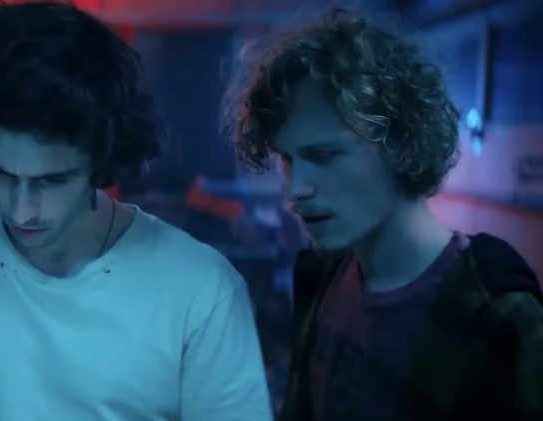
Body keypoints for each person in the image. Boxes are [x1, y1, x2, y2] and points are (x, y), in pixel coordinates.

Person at [0, 3, 272, 420]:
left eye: (52, 180)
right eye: (0, 173)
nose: (21, 210)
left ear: (101, 159)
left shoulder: (199, 288)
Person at [222, 8, 543, 421]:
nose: (295, 189)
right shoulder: (324, 274)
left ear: (400, 145)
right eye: (288, 158)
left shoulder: (500, 318)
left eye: (324, 155)